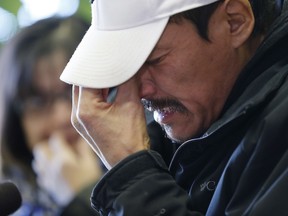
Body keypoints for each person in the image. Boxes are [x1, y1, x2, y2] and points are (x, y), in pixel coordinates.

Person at [60, 0, 288, 215]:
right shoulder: (175, 123)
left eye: (154, 60)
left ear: (234, 21)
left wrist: (132, 173)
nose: (141, 91)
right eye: (128, 66)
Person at [0, 16, 103, 215]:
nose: (62, 117)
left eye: (75, 92)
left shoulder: (161, 180)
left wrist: (84, 195)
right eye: (38, 102)